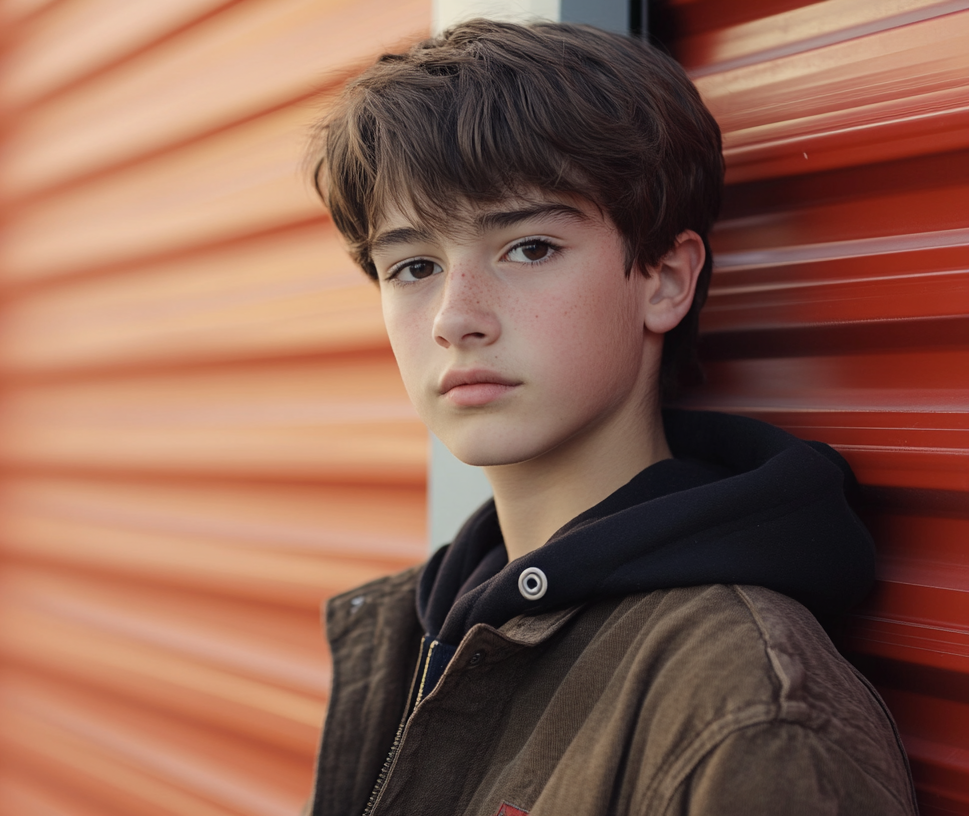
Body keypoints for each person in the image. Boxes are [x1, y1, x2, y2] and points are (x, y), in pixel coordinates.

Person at [303, 20, 917, 816]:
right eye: (413, 266)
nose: (456, 318)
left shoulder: (747, 711)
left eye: (529, 248)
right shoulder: (410, 632)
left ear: (664, 279)